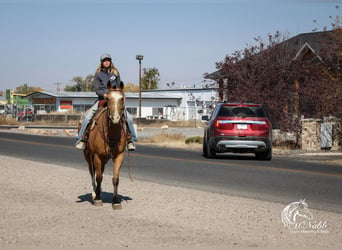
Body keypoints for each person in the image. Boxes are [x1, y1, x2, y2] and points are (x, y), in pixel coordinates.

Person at [75, 53, 137, 150]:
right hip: (102, 100)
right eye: (105, 60)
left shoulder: (115, 73)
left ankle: (131, 140)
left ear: (110, 61)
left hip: (115, 100)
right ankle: (82, 139)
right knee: (87, 117)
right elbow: (97, 89)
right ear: (102, 62)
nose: (106, 62)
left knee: (128, 118)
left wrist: (123, 95)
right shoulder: (98, 75)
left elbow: (119, 87)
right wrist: (104, 95)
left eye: (108, 60)